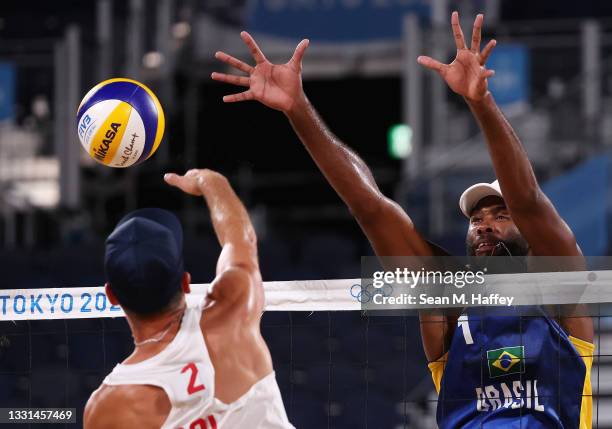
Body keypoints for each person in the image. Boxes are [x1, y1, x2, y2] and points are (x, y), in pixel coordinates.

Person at [212, 12, 594, 428]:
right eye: (476, 218)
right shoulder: (448, 300)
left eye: (500, 215)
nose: (484, 224)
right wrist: (299, 109)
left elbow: (527, 198)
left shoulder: (560, 292)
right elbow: (371, 207)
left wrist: (480, 103)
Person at [84, 169, 294, 429]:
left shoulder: (109, 407)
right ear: (186, 282)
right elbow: (242, 240)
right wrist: (209, 181)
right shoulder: (233, 310)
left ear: (111, 296)